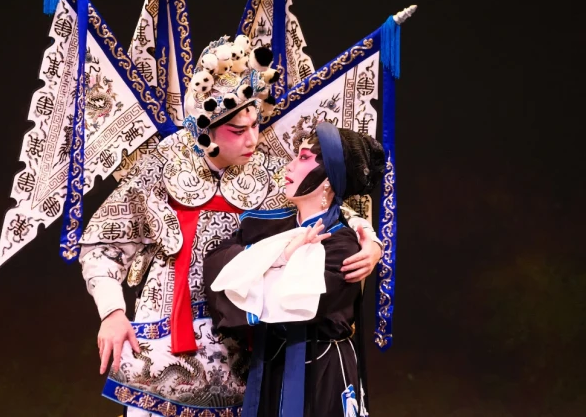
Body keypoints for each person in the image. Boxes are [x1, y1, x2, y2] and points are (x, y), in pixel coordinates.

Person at [79, 36, 383, 416]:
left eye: (256, 124)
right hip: (161, 338)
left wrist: (369, 240)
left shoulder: (269, 171)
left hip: (239, 346)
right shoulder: (162, 163)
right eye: (239, 131)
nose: (254, 139)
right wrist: (111, 311)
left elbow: (326, 202)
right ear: (206, 130)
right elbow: (103, 246)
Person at [204, 121, 386, 416]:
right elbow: (216, 266)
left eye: (303, 157)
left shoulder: (343, 247)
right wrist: (283, 254)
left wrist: (261, 265)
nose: (288, 166)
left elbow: (284, 303)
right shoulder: (269, 225)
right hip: (270, 369)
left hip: (322, 371)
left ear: (328, 178)